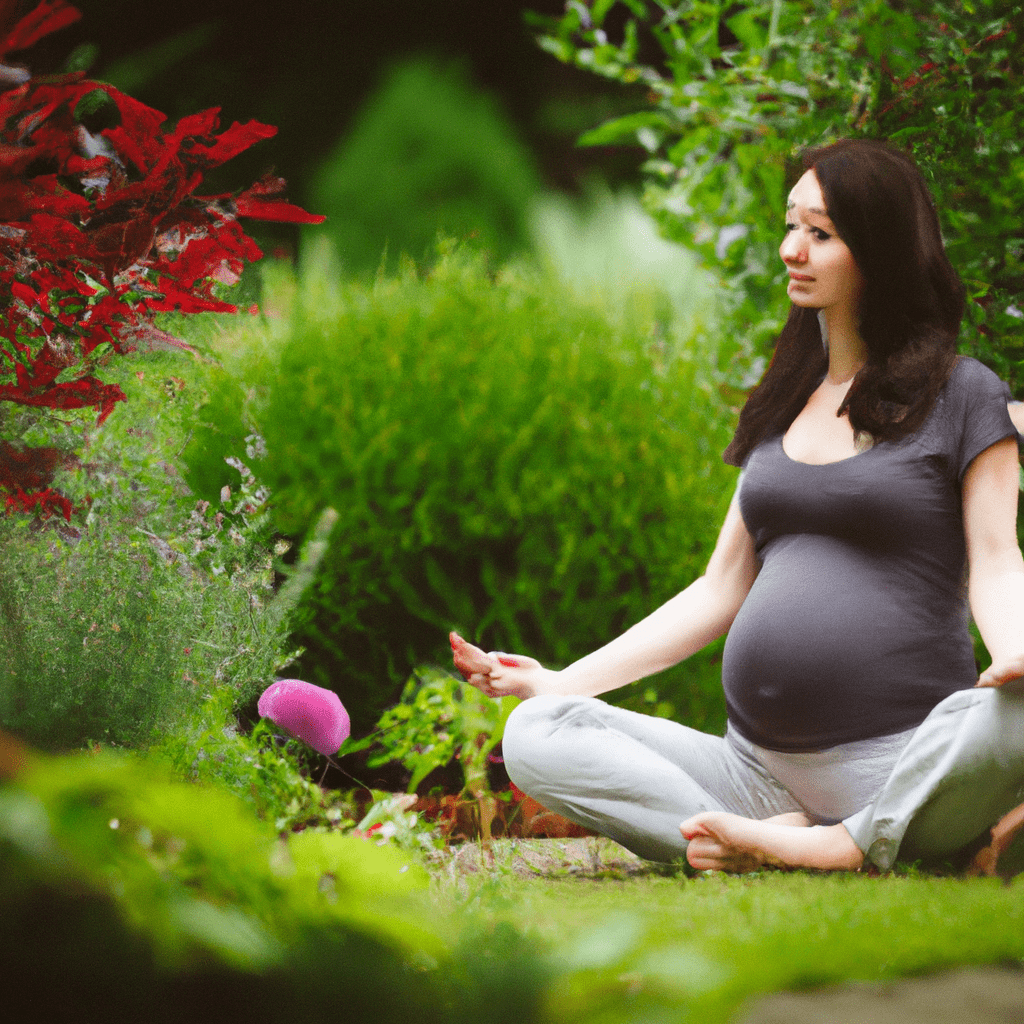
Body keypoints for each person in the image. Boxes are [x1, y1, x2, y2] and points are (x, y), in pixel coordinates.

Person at [451, 138, 1024, 873]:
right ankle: (761, 842)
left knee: (1010, 716)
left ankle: (846, 842)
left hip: (899, 763)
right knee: (537, 729)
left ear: (879, 249)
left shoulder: (964, 394)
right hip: (753, 772)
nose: (792, 248)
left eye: (820, 233)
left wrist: (1013, 651)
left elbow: (999, 558)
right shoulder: (786, 400)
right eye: (791, 226)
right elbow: (721, 587)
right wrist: (562, 681)